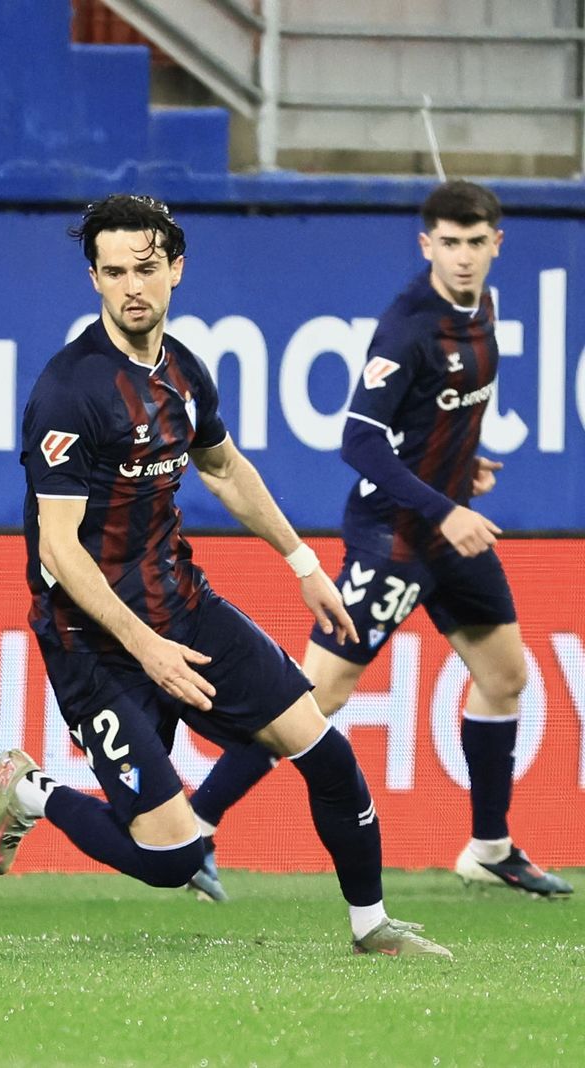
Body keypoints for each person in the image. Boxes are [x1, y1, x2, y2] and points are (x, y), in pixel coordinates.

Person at [0, 194, 451, 956]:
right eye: (112, 272)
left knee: (327, 754)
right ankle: (31, 790)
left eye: (145, 268)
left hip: (184, 608)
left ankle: (372, 928)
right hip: (93, 642)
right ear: (93, 279)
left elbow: (224, 468)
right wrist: (145, 649)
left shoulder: (184, 373)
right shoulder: (70, 391)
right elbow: (60, 553)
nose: (130, 286)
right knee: (172, 859)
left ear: (175, 270)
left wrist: (302, 563)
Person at [187, 181, 572, 901]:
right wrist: (442, 504)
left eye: (475, 243)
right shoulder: (409, 328)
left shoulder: (483, 307)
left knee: (506, 677)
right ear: (426, 244)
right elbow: (359, 442)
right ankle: (194, 824)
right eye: (448, 244)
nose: (463, 258)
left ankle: (489, 848)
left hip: (449, 528)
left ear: (498, 243)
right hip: (394, 537)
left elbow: (436, 420)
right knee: (313, 697)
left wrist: (463, 467)